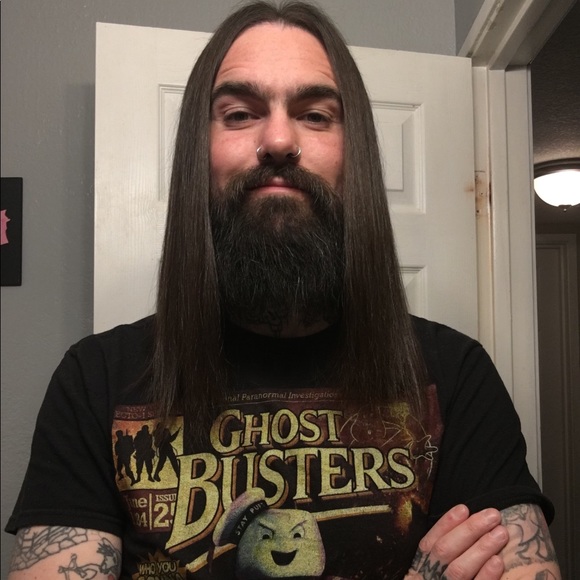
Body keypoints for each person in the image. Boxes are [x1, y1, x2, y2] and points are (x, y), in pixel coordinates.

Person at [6, 2, 560, 579]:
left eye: (316, 115)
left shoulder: (457, 376)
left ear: (355, 157)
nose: (277, 139)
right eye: (240, 114)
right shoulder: (94, 380)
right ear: (198, 153)